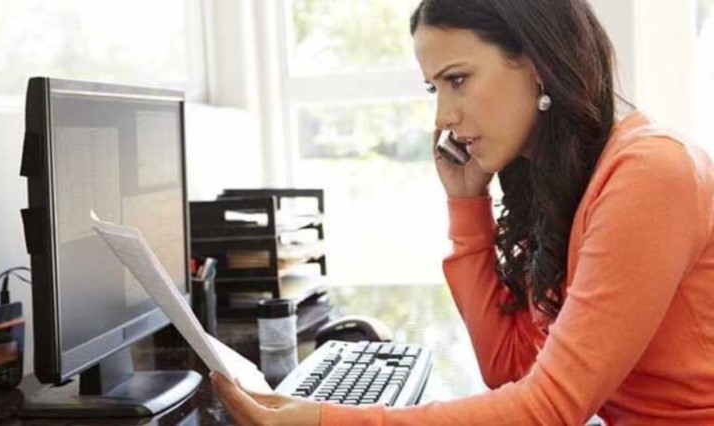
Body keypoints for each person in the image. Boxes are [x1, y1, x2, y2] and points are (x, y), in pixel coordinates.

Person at [211, 0, 714, 424]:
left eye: (458, 80)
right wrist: (467, 205)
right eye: (435, 88)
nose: (442, 118)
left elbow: (551, 408)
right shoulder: (561, 179)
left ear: (538, 62)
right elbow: (512, 369)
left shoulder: (650, 171)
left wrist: (324, 419)